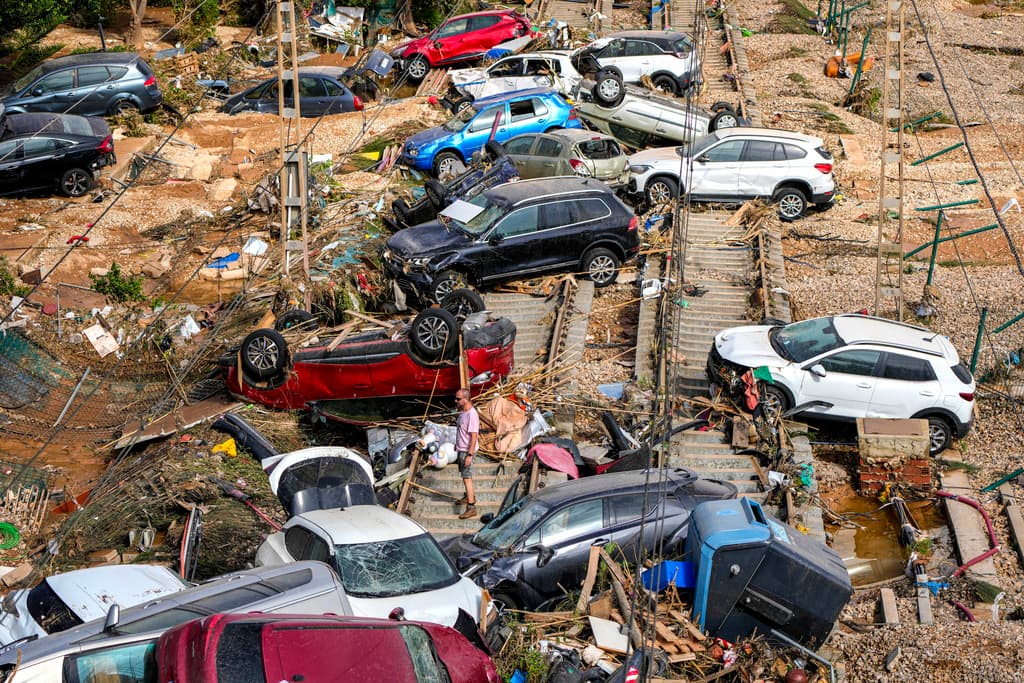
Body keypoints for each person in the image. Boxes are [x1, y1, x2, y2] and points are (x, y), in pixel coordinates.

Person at [455, 388, 480, 519]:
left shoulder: (472, 414)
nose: (456, 401)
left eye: (458, 398)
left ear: (465, 399)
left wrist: (470, 455)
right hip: (461, 449)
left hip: (467, 451)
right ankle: (468, 496)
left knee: (467, 477)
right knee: (464, 476)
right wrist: (456, 444)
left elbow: (474, 436)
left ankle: (471, 507)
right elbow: (461, 431)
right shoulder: (462, 413)